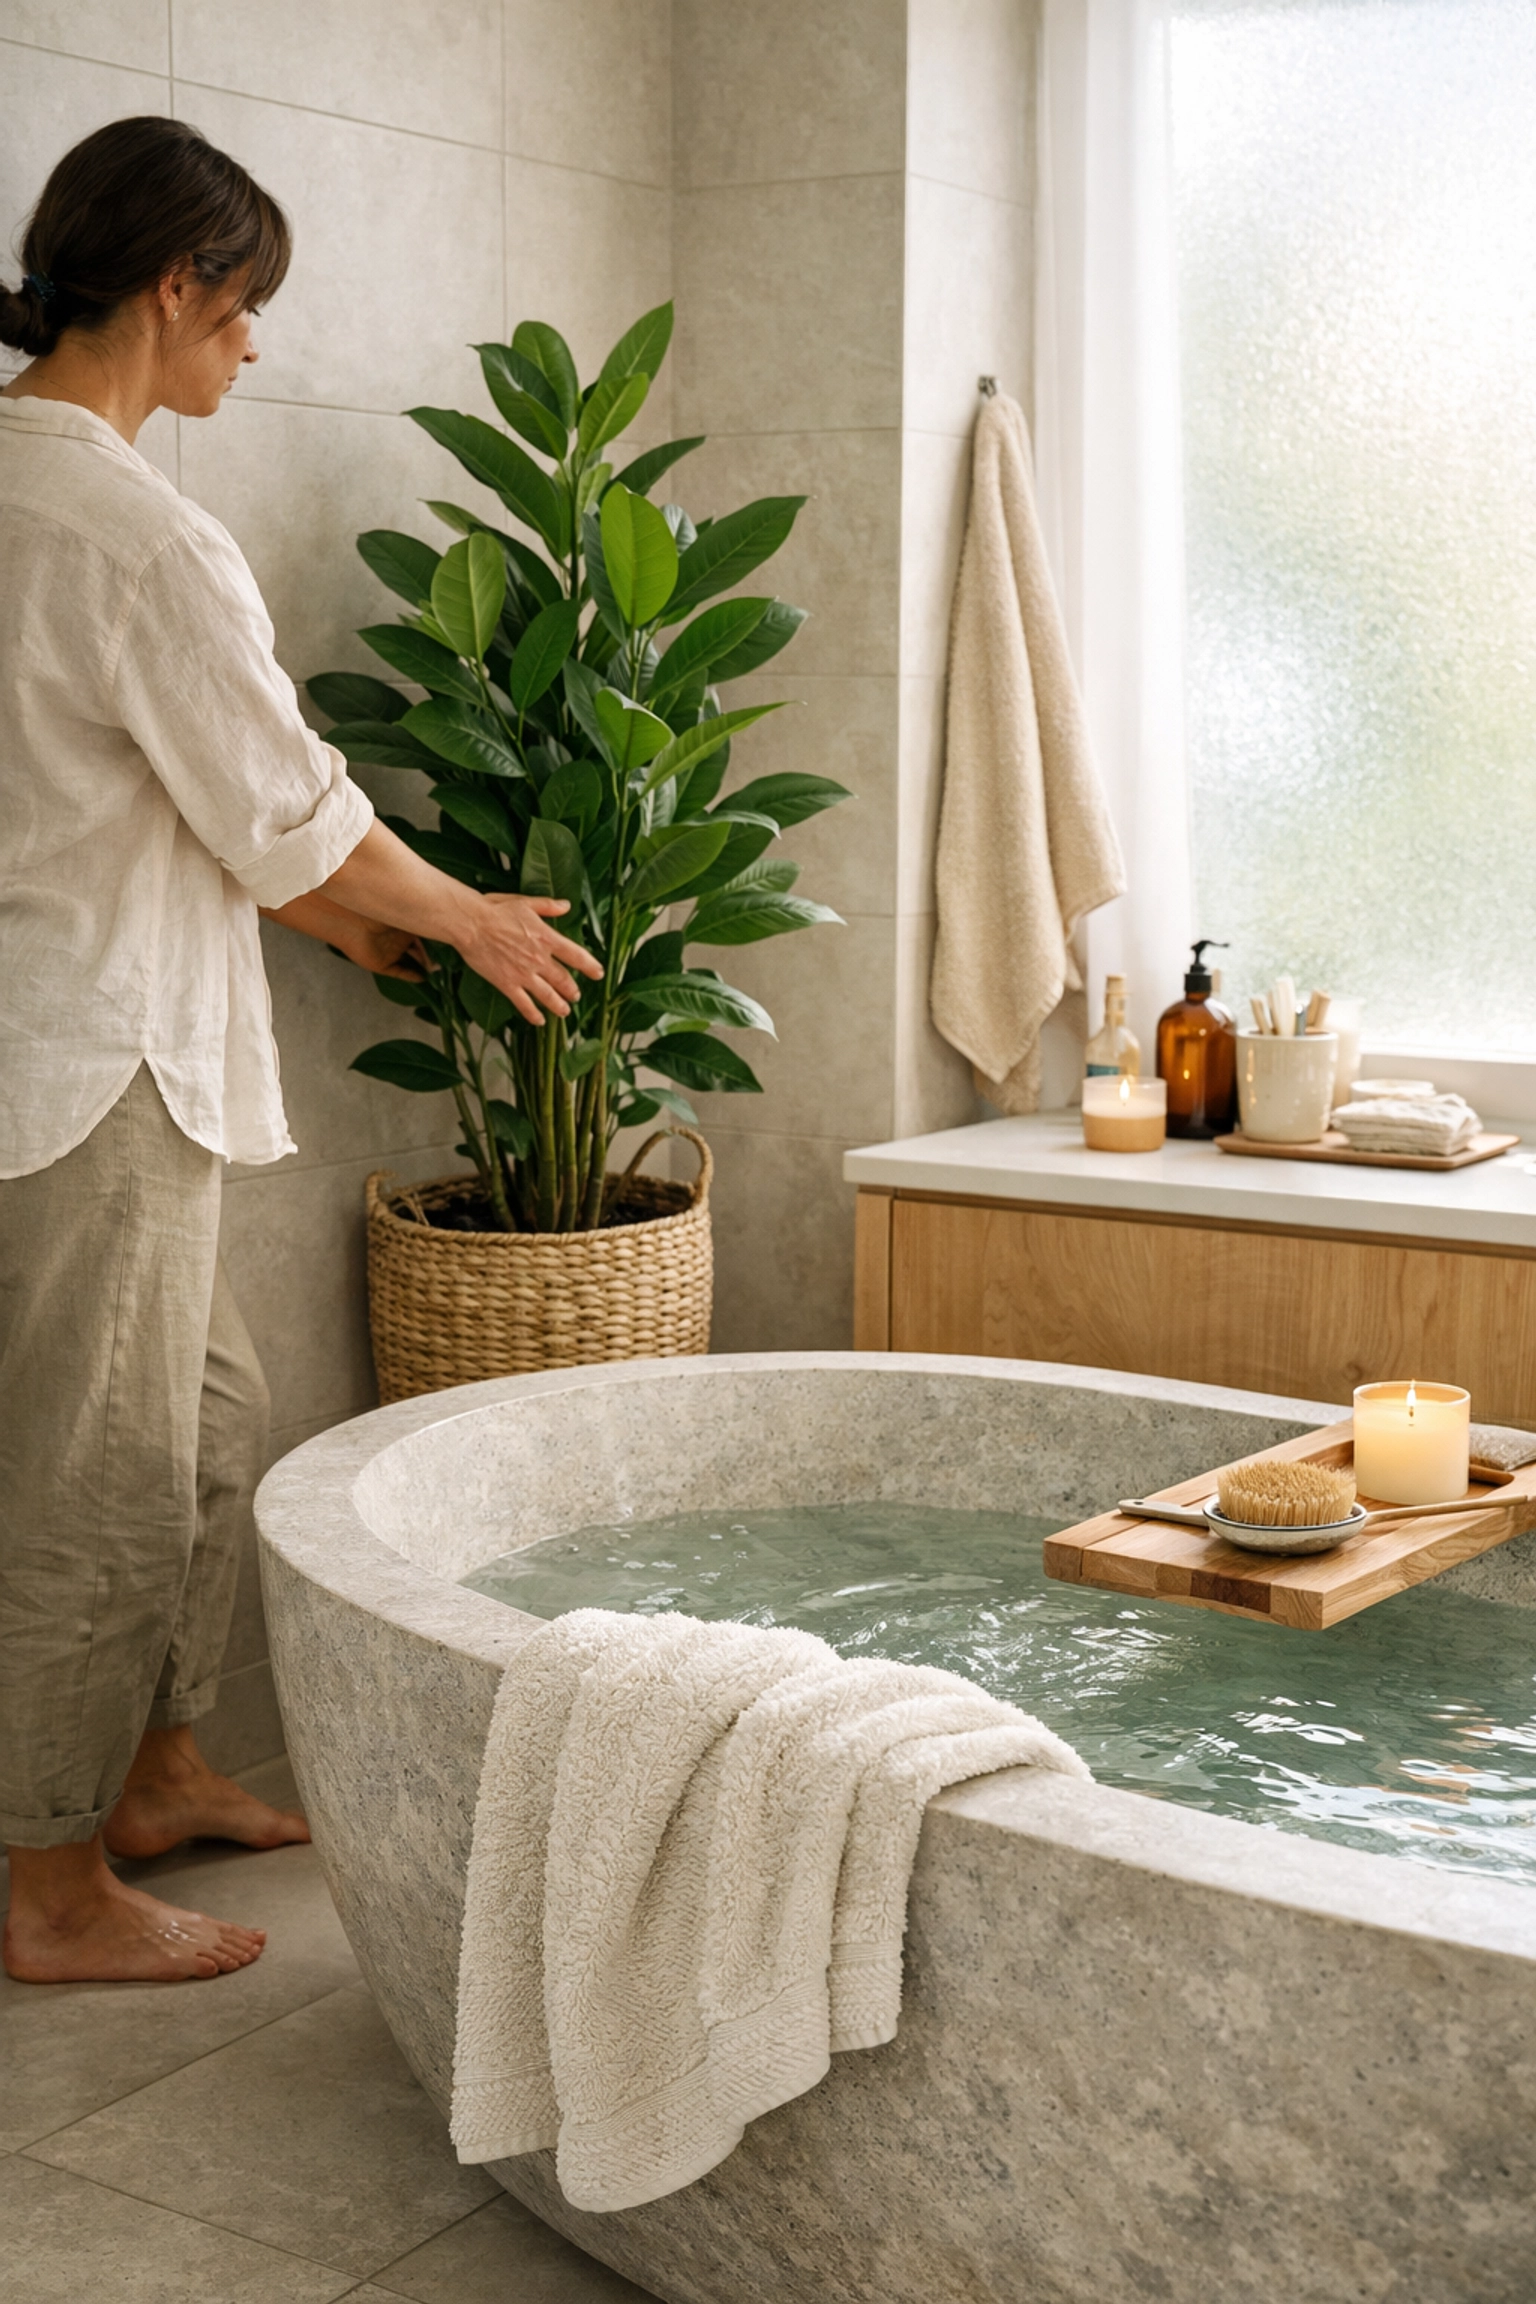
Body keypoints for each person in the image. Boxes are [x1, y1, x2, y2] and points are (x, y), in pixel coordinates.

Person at [0, 117, 603, 1984]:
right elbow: (287, 807)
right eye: (245, 305)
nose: (254, 347)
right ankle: (46, 1885)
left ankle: (158, 1766)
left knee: (201, 1432)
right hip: (95, 1067)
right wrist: (471, 919)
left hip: (85, 1044)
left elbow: (155, 805)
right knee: (94, 1484)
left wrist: (351, 912)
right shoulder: (126, 524)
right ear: (171, 285)